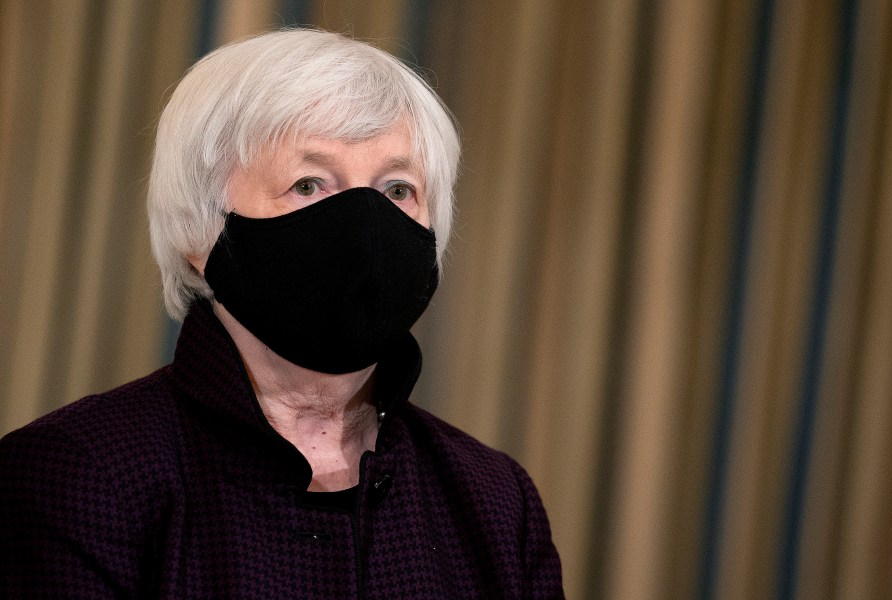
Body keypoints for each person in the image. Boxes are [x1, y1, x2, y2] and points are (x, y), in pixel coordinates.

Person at [0, 29, 563, 598]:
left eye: (397, 190)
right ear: (201, 228)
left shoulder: (495, 502)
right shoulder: (77, 476)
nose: (365, 225)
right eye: (308, 184)